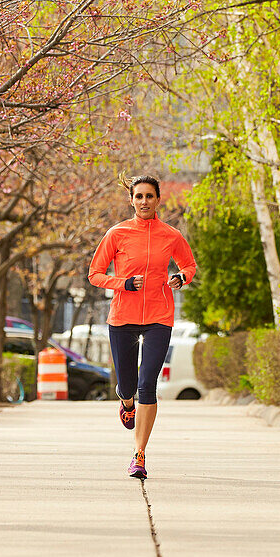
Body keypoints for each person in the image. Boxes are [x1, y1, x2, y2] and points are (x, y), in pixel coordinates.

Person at [88, 175, 197, 479]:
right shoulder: (117, 233)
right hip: (123, 316)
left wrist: (181, 278)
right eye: (139, 196)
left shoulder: (171, 235)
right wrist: (121, 283)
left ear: (158, 199)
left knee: (147, 384)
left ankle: (139, 455)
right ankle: (125, 402)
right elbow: (94, 274)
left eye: (150, 196)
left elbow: (189, 265)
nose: (144, 202)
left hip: (159, 318)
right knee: (127, 385)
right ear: (131, 200)